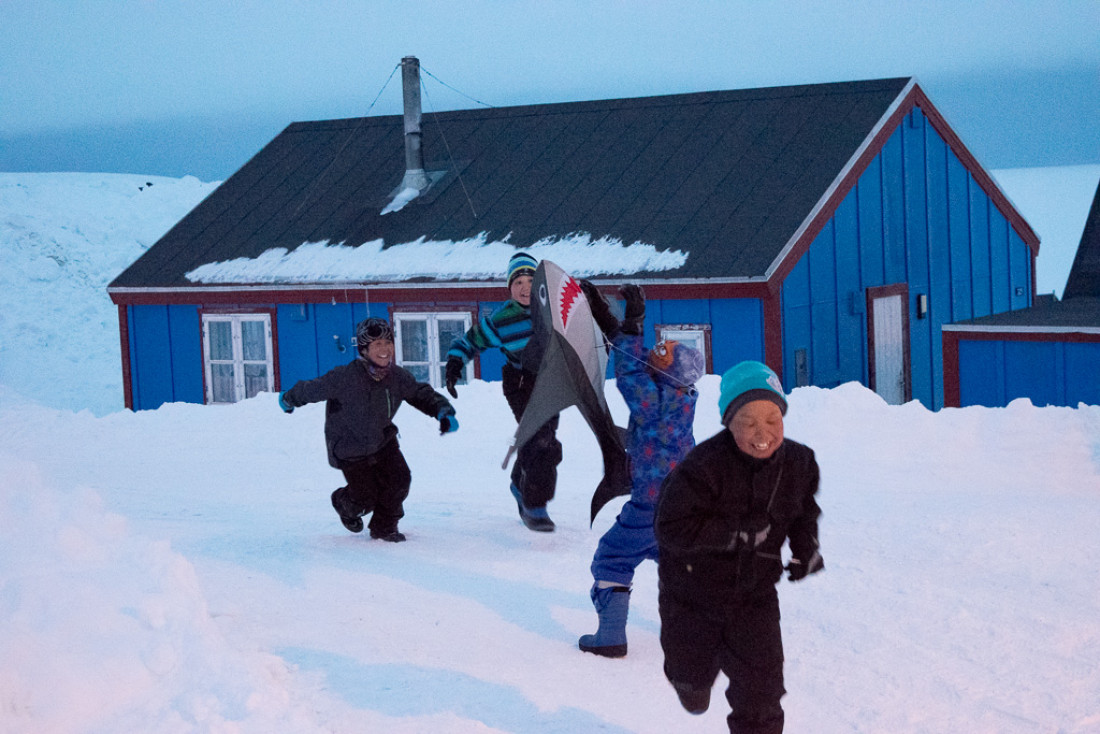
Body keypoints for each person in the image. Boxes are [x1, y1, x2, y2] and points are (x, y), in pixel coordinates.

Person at [654, 360, 824, 733]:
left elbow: (802, 510)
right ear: (728, 423)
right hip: (692, 595)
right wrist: (736, 533)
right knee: (691, 681)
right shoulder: (702, 467)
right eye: (748, 422)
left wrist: (806, 546)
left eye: (772, 420)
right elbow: (670, 527)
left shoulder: (799, 463)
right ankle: (691, 683)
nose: (762, 433)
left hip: (754, 596)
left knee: (762, 696)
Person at [576, 281, 703, 658]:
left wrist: (632, 326)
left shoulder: (655, 401)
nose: (654, 352)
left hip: (651, 504)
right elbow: (644, 366)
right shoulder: (679, 399)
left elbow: (631, 376)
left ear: (669, 375)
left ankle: (611, 637)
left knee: (613, 557)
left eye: (662, 353)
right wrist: (614, 324)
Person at [278, 317, 458, 542]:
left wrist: (443, 411)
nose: (384, 350)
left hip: (382, 440)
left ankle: (384, 527)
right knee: (365, 497)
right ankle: (343, 502)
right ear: (364, 349)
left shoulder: (397, 377)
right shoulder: (344, 377)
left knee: (399, 480)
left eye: (388, 343)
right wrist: (289, 399)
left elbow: (420, 393)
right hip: (350, 446)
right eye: (377, 345)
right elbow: (312, 389)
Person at [444, 251, 561, 532]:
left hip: (550, 382)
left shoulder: (552, 312)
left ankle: (519, 481)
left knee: (540, 437)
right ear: (510, 287)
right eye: (517, 282)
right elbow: (471, 341)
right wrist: (455, 362)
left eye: (530, 280)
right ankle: (534, 504)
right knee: (542, 439)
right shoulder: (502, 319)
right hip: (519, 382)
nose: (524, 288)